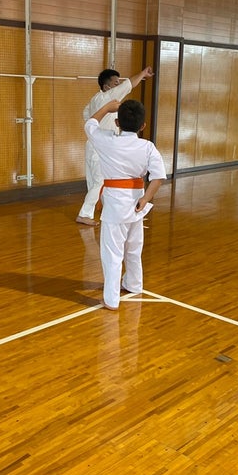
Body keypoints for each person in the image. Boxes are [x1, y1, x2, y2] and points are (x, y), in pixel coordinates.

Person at [84, 99, 166, 309]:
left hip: (115, 205)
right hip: (137, 203)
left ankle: (111, 299)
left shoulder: (107, 140)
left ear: (117, 122)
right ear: (143, 126)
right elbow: (158, 177)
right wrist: (145, 199)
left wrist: (106, 108)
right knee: (133, 248)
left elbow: (89, 125)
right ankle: (134, 284)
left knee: (112, 253)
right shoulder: (147, 147)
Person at [76, 66, 155, 226]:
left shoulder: (95, 99)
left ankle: (103, 210)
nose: (119, 86)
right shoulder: (108, 96)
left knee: (96, 181)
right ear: (106, 87)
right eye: (116, 83)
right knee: (99, 181)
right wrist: (142, 73)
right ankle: (84, 214)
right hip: (101, 147)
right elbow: (129, 84)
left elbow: (86, 115)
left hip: (94, 144)